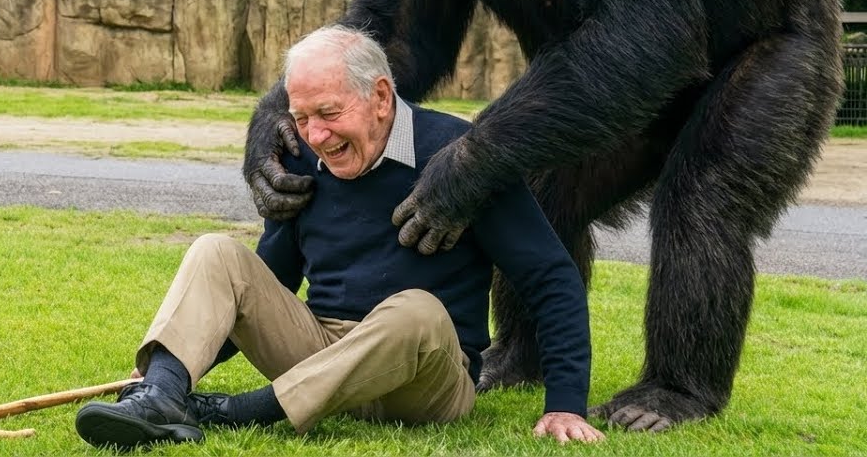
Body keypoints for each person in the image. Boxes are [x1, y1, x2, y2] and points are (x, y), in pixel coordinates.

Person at [74, 25, 604, 448]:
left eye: (328, 114)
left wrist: (565, 405)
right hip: (319, 350)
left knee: (415, 309)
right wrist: (177, 361)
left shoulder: (460, 155)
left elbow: (549, 276)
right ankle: (162, 397)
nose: (316, 136)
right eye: (302, 118)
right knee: (217, 252)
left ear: (379, 96)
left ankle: (245, 411)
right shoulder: (305, 156)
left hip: (424, 378)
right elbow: (260, 285)